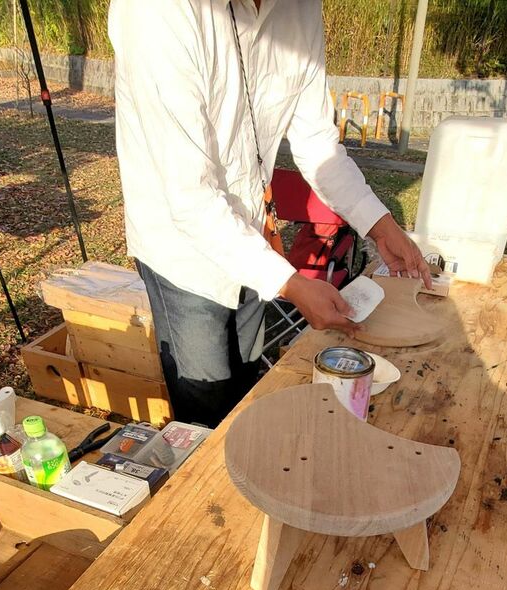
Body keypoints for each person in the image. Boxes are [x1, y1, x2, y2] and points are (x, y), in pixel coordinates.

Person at [108, 0, 431, 427]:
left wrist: (382, 226)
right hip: (181, 253)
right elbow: (189, 196)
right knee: (206, 409)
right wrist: (292, 284)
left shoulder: (299, 9)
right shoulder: (158, 11)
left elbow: (317, 143)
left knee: (246, 393)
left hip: (254, 239)